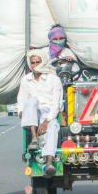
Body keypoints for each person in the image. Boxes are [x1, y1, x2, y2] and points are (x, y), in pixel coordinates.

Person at [17, 49, 63, 178]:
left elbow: (56, 104)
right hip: (32, 113)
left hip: (49, 113)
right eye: (32, 63)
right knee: (31, 101)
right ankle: (34, 138)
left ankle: (49, 162)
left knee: (53, 127)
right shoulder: (26, 80)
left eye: (38, 62)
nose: (35, 65)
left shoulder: (53, 79)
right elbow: (21, 100)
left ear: (43, 62)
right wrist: (21, 111)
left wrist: (46, 121)